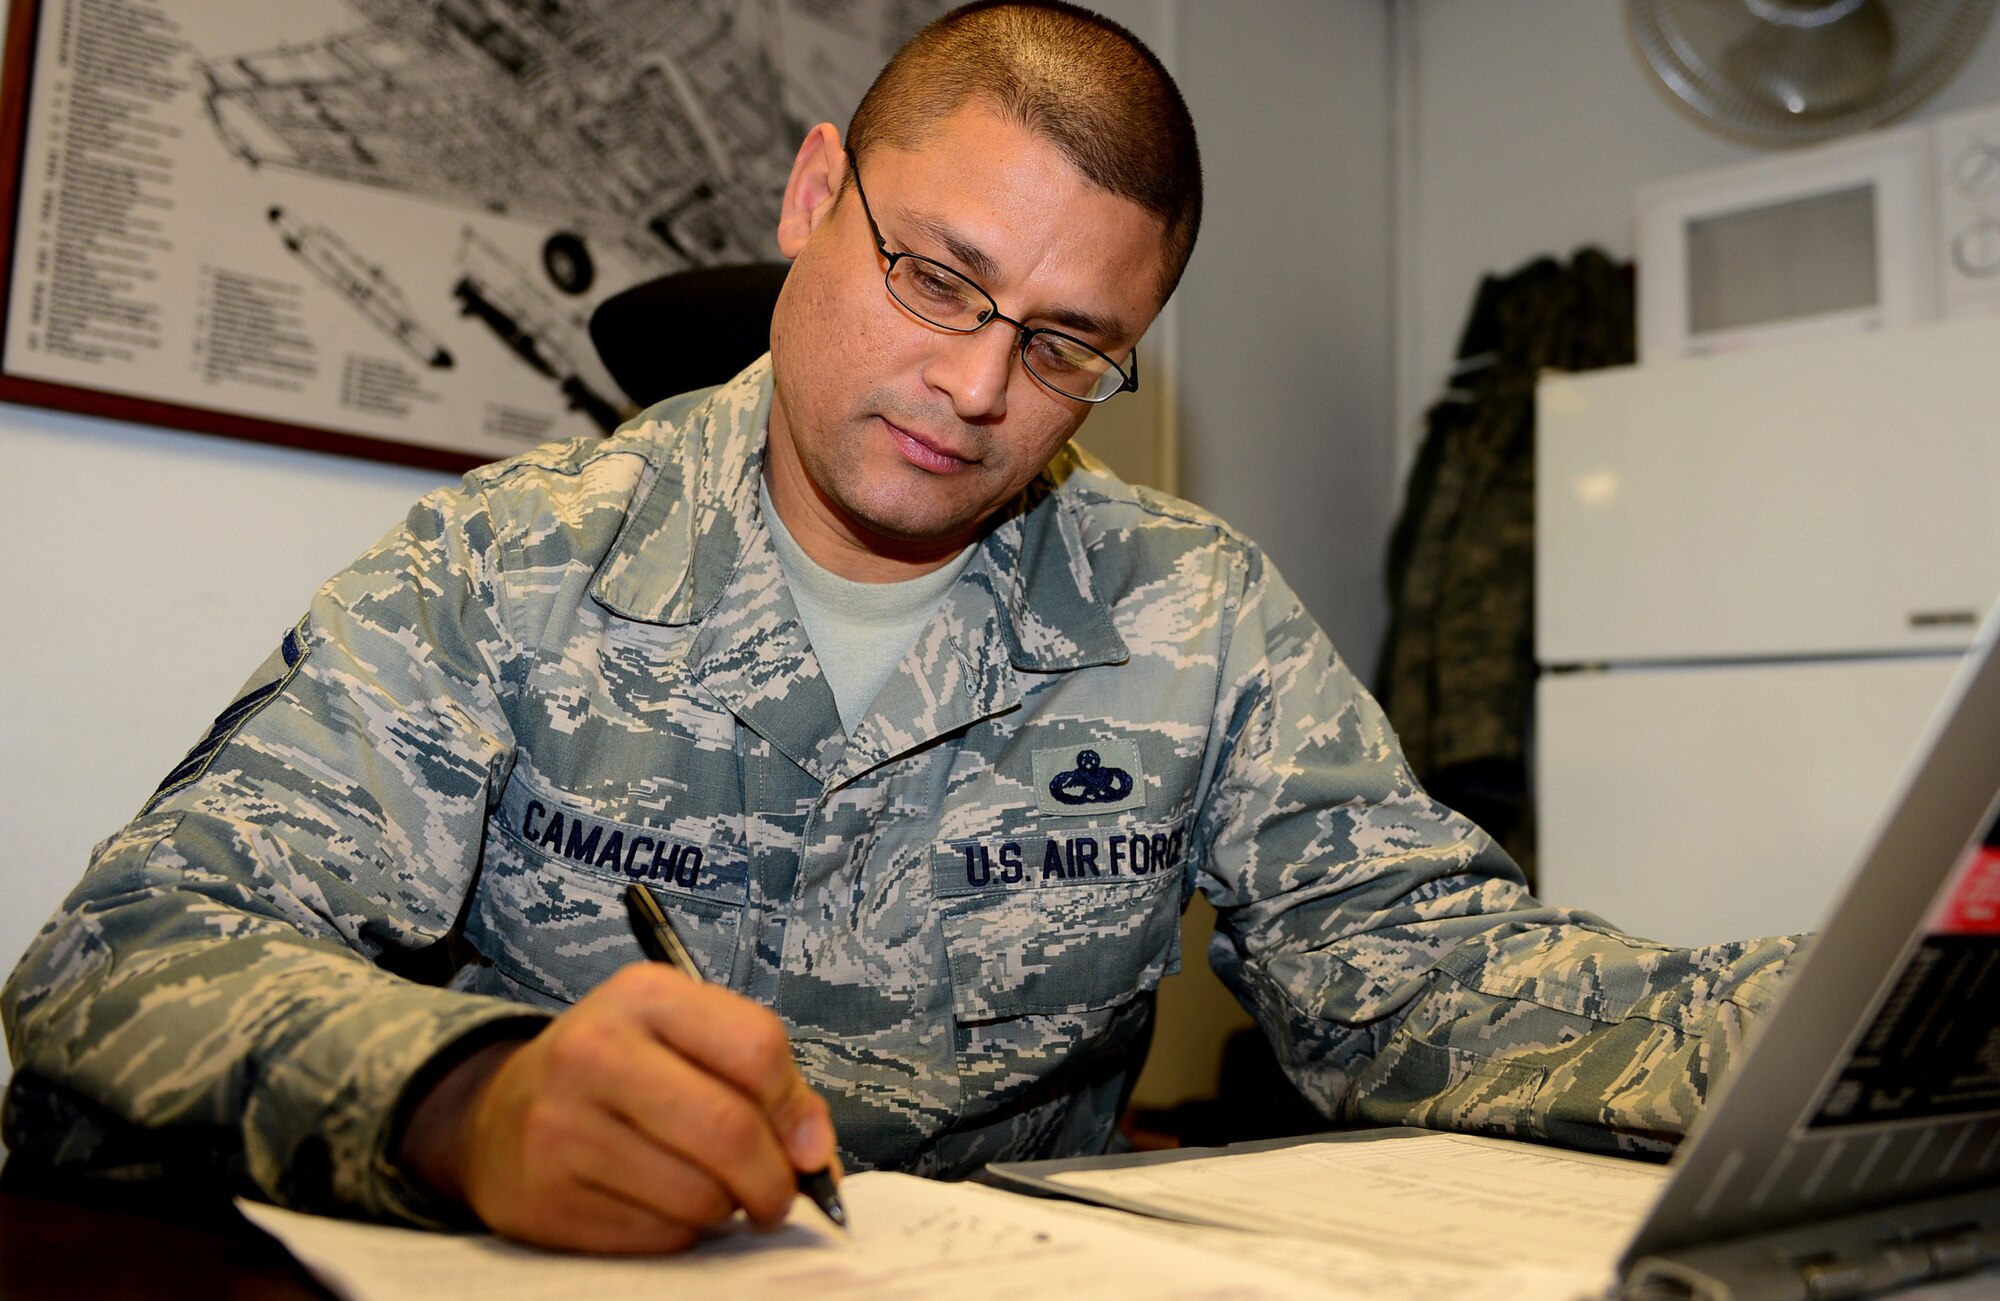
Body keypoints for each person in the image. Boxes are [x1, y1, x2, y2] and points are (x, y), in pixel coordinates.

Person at [1, 0, 1797, 1256]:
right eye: (938, 277)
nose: (973, 383)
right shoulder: (506, 568)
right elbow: (123, 955)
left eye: (1066, 344)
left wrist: (1847, 1018)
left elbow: (1427, 977)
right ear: (809, 199)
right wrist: (463, 1101)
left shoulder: (1198, 613)